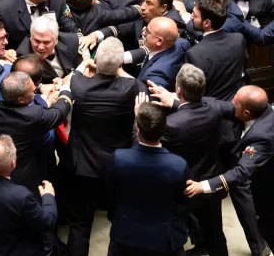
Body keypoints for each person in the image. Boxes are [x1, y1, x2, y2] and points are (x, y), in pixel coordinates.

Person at [66, 38, 147, 256]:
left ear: (96, 61)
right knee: (119, 221)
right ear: (120, 64)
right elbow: (139, 84)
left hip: (82, 166)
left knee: (80, 224)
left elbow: (72, 78)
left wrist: (86, 62)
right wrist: (116, 68)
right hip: (117, 166)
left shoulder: (80, 86)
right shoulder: (130, 88)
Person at [183, 85, 274, 251]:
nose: (232, 103)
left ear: (246, 113)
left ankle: (260, 247)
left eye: (236, 103)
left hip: (261, 180)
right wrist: (178, 99)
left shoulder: (263, 137)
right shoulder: (253, 108)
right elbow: (217, 104)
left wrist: (202, 186)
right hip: (236, 155)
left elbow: (241, 172)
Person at [0, 71, 73, 195]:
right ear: (21, 99)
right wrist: (65, 89)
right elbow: (59, 112)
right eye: (33, 91)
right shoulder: (34, 115)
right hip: (20, 178)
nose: (35, 92)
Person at [158, 64, 229, 256]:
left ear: (178, 90)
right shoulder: (215, 109)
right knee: (216, 235)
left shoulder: (171, 124)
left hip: (183, 188)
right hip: (209, 182)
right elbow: (196, 109)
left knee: (174, 236)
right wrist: (174, 102)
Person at [108, 102, 188, 256]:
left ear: (137, 130)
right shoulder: (178, 165)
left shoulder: (119, 158)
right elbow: (182, 203)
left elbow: (111, 195)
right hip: (165, 240)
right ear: (163, 130)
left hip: (125, 235)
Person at [81, 0, 186, 67]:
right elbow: (122, 29)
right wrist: (94, 36)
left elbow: (151, 51)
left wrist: (114, 59)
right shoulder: (147, 14)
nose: (142, 7)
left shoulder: (173, 26)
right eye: (144, 1)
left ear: (163, 8)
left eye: (149, 3)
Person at [185, 0, 247, 101]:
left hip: (211, 108)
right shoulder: (239, 39)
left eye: (194, 15)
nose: (191, 16)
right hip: (235, 102)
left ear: (207, 23)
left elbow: (192, 93)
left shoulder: (194, 54)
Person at [16, 16, 81, 84]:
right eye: (37, 41)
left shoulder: (71, 41)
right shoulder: (23, 57)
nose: (41, 47)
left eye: (46, 42)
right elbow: (26, 84)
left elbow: (81, 68)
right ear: (31, 37)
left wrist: (69, 79)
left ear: (56, 40)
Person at [136, 17, 190, 91]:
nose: (143, 33)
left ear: (159, 41)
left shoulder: (155, 75)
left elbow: (155, 99)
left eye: (148, 32)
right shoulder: (182, 43)